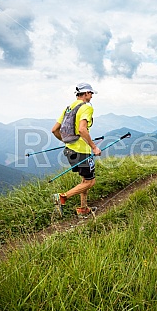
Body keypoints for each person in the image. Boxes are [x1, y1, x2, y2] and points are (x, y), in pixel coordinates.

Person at [51, 82, 102, 217]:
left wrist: (66, 141)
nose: (92, 96)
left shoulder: (69, 108)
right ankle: (62, 197)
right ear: (85, 94)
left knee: (85, 180)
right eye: (90, 93)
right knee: (91, 181)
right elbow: (82, 129)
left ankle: (83, 209)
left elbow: (54, 130)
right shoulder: (86, 108)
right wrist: (94, 147)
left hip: (70, 150)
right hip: (82, 151)